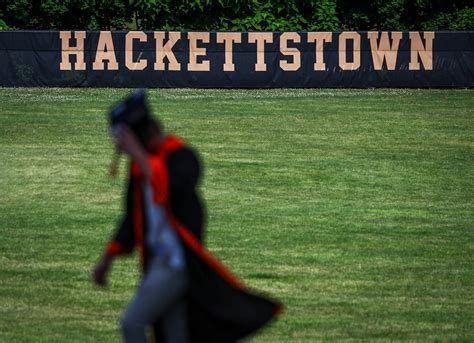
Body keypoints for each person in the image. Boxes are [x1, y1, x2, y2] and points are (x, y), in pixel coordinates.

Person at [92, 90, 281, 343]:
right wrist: (108, 258)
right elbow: (131, 218)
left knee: (132, 322)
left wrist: (138, 154)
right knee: (175, 335)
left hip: (179, 263)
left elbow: (171, 188)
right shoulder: (140, 169)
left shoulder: (182, 157)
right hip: (158, 262)